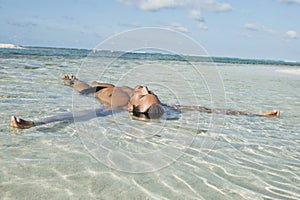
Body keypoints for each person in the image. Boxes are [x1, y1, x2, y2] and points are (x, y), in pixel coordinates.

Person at [10, 74, 280, 129]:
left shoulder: (115, 107)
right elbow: (209, 109)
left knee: (79, 86)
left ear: (133, 107)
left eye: (143, 92)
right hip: (111, 82)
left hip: (95, 90)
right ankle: (71, 78)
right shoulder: (159, 105)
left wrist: (36, 122)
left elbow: (78, 116)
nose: (144, 87)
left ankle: (71, 80)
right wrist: (257, 115)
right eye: (149, 90)